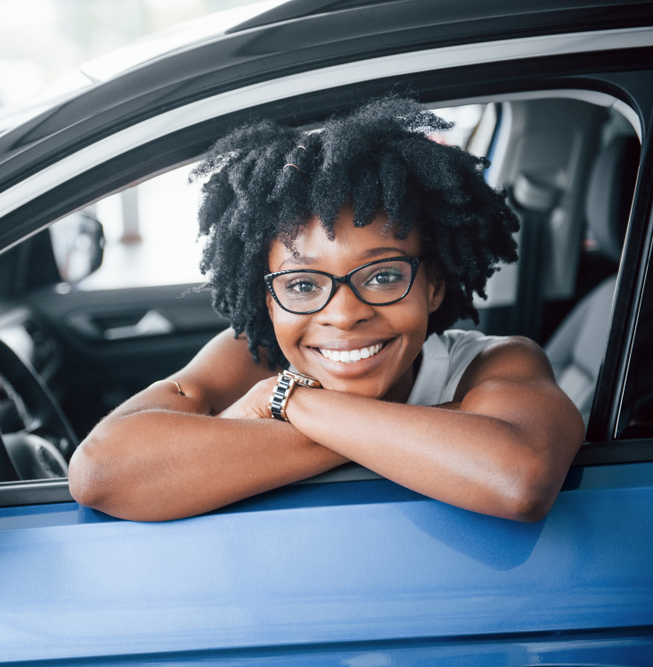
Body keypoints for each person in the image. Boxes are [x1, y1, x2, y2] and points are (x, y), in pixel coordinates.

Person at [67, 96, 584, 523]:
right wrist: (412, 437)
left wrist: (289, 402)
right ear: (268, 299)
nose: (343, 314)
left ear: (433, 286)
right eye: (302, 284)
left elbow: (519, 478)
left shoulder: (495, 365)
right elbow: (101, 472)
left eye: (383, 276)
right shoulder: (255, 353)